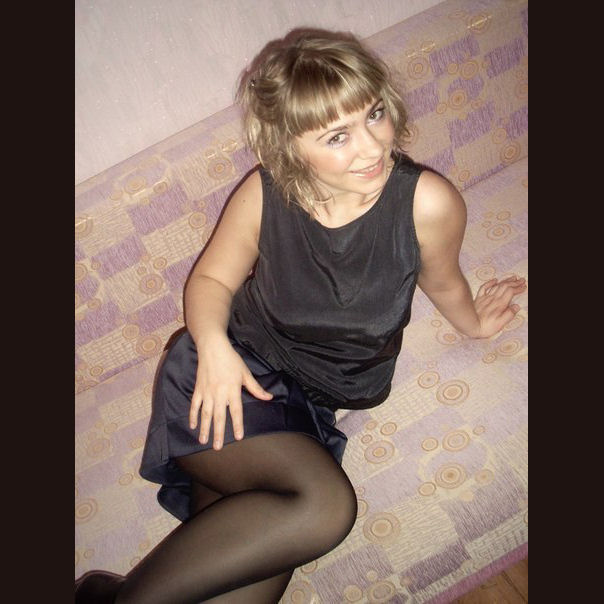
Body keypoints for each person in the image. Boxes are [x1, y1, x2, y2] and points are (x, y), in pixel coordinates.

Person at [75, 27, 526, 603]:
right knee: (326, 507)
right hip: (230, 374)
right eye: (338, 136)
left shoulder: (426, 203)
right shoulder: (267, 194)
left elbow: (440, 279)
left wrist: (474, 323)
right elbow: (211, 280)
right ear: (288, 146)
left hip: (308, 410)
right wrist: (213, 348)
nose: (372, 147)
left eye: (375, 114)